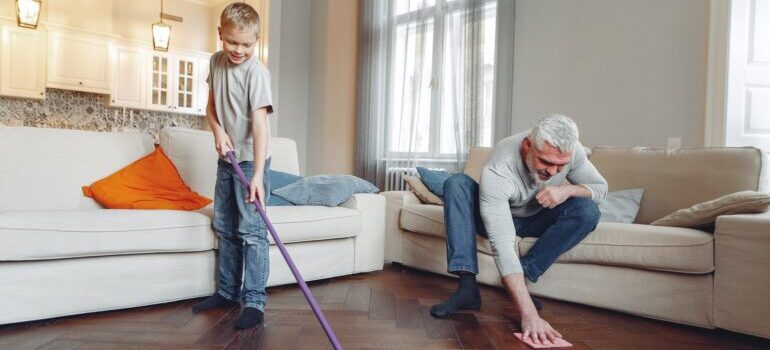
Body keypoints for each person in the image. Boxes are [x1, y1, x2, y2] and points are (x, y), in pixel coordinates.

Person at [430, 114, 607, 346]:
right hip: (493, 215)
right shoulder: (499, 168)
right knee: (456, 184)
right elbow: (502, 244)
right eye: (545, 162)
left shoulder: (573, 152)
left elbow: (601, 188)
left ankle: (522, 277)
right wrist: (530, 316)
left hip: (536, 217)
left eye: (560, 165)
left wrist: (567, 191)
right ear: (528, 145)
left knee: (588, 211)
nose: (553, 172)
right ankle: (467, 288)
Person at [190, 2, 275, 330]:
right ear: (220, 35)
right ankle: (227, 291)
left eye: (247, 44)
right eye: (232, 42)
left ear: (257, 39)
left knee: (252, 232)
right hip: (227, 161)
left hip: (252, 160)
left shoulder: (257, 72)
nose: (239, 50)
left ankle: (254, 301)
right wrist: (218, 130)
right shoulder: (215, 62)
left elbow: (259, 126)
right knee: (225, 227)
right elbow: (210, 108)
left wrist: (256, 176)